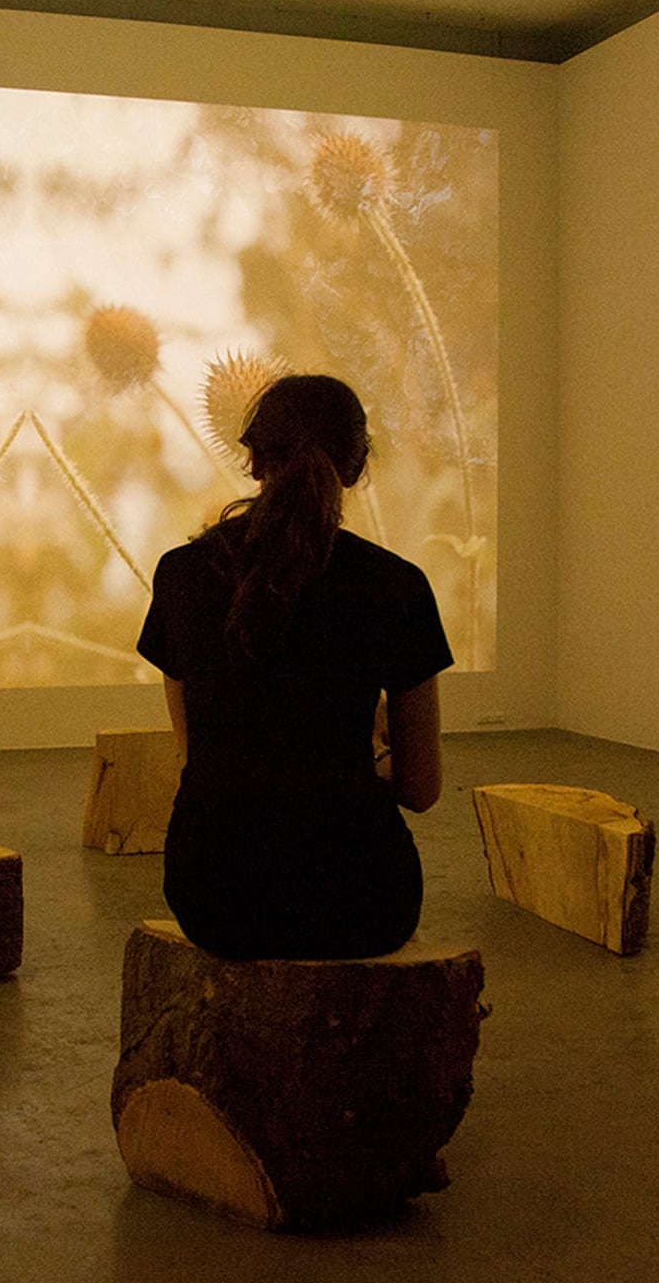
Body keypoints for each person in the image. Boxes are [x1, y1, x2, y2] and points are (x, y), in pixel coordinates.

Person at [136, 374, 452, 959]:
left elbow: (200, 757)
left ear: (254, 460)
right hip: (363, 905)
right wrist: (362, 760)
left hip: (214, 899)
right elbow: (422, 789)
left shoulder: (180, 574)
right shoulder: (398, 585)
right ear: (356, 468)